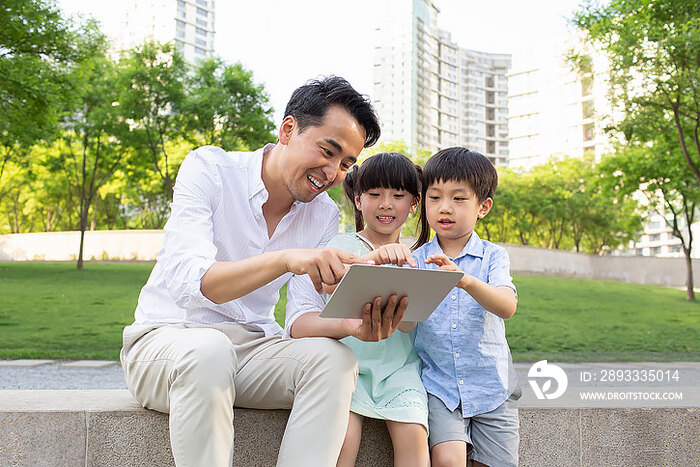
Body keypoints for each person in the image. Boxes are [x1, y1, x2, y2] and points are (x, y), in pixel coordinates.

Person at [119, 76, 410, 467]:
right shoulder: (210, 168)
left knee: (336, 361)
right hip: (169, 341)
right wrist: (286, 258)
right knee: (210, 351)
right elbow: (194, 285)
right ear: (288, 129)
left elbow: (299, 318)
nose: (332, 172)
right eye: (327, 151)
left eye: (345, 164)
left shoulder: (321, 213)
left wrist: (355, 326)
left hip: (252, 349)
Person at [411, 147, 521, 467]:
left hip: (492, 388)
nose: (445, 207)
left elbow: (507, 305)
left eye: (459, 198)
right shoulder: (415, 260)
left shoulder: (493, 256)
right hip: (440, 388)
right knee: (448, 461)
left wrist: (465, 280)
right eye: (435, 197)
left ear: (483, 206)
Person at [323, 153, 429, 467]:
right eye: (374, 194)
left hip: (399, 371)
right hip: (349, 368)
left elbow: (409, 326)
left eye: (398, 195)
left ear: (413, 204)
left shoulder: (417, 258)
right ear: (358, 199)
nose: (386, 204)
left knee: (414, 438)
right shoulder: (342, 245)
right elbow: (331, 287)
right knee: (343, 441)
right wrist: (377, 258)